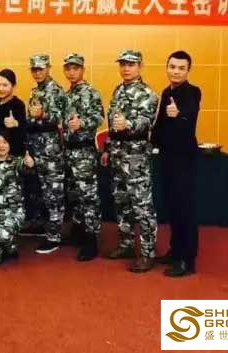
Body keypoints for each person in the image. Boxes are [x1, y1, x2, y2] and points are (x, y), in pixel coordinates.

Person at [102, 50, 159, 273]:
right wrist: (107, 148)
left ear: (140, 66)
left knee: (142, 206)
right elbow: (112, 124)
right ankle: (126, 244)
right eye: (123, 64)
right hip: (117, 154)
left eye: (131, 64)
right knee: (122, 202)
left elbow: (146, 121)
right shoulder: (118, 90)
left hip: (136, 157)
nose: (126, 68)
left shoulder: (148, 94)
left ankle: (147, 252)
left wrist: (129, 124)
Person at [151, 50, 201, 277]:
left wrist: (178, 114)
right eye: (172, 67)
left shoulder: (193, 92)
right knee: (172, 207)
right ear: (167, 68)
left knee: (185, 210)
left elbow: (189, 119)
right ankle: (175, 250)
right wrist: (151, 142)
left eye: (181, 68)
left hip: (184, 160)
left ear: (188, 71)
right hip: (167, 157)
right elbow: (160, 125)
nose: (176, 71)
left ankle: (187, 260)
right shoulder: (166, 92)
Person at [62, 53, 105, 262]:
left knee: (88, 197)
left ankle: (92, 240)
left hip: (84, 151)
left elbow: (99, 117)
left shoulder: (91, 93)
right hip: (69, 151)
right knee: (74, 195)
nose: (72, 72)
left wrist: (83, 123)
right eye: (68, 69)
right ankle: (78, 231)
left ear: (82, 70)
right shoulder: (66, 94)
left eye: (75, 68)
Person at [25, 54, 67, 254]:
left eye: (40, 69)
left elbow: (59, 117)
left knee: (53, 194)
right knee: (41, 192)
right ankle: (44, 227)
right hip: (37, 148)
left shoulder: (56, 90)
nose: (37, 72)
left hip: (51, 151)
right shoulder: (35, 91)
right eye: (34, 69)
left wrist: (42, 115)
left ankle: (54, 237)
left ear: (48, 68)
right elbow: (30, 119)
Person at [0, 131, 34, 264]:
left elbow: (27, 169)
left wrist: (29, 164)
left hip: (13, 212)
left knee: (0, 234)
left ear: (10, 144)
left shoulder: (17, 162)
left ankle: (10, 245)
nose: (1, 146)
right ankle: (5, 248)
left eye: (5, 142)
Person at [0, 69, 27, 157]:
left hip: (12, 153)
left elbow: (24, 129)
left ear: (13, 86)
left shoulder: (18, 104)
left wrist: (16, 124)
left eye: (5, 85)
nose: (1, 88)